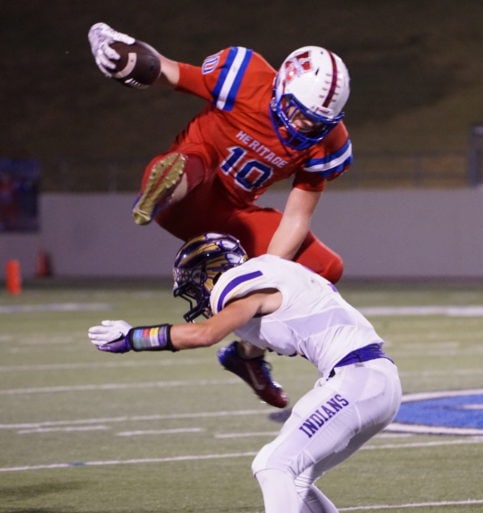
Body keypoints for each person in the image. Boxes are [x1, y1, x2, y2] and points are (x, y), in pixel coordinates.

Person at [87, 22, 354, 407]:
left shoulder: (327, 140)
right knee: (192, 162)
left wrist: (266, 276)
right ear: (280, 88)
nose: (304, 127)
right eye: (299, 113)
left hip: (234, 214)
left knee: (325, 268)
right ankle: (158, 192)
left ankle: (246, 356)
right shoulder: (246, 77)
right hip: (187, 199)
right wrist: (115, 46)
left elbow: (297, 218)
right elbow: (165, 70)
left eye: (316, 122)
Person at [87, 233, 402, 513]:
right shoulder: (274, 272)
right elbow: (295, 220)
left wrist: (134, 338)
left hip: (357, 378)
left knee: (272, 464)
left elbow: (204, 334)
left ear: (211, 275)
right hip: (374, 381)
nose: (198, 295)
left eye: (197, 284)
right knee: (296, 479)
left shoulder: (247, 290)